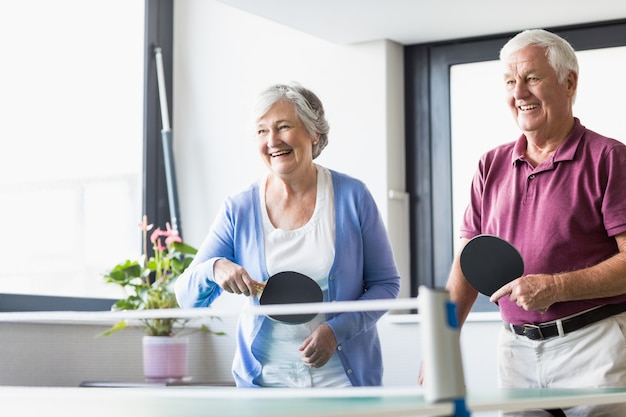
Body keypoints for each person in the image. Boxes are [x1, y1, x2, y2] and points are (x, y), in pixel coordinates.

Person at [445, 29, 626, 416]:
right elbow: (465, 264)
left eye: (532, 78)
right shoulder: (488, 165)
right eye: (510, 82)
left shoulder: (610, 158)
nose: (519, 93)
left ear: (569, 82)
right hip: (515, 351)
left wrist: (556, 287)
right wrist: (442, 352)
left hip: (593, 345)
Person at [175, 82, 400, 388]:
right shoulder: (239, 208)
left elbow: (385, 285)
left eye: (283, 127)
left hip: (341, 382)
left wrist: (336, 332)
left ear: (314, 133)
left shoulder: (353, 196)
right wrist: (214, 269)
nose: (272, 141)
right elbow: (186, 296)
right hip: (265, 384)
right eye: (261, 131)